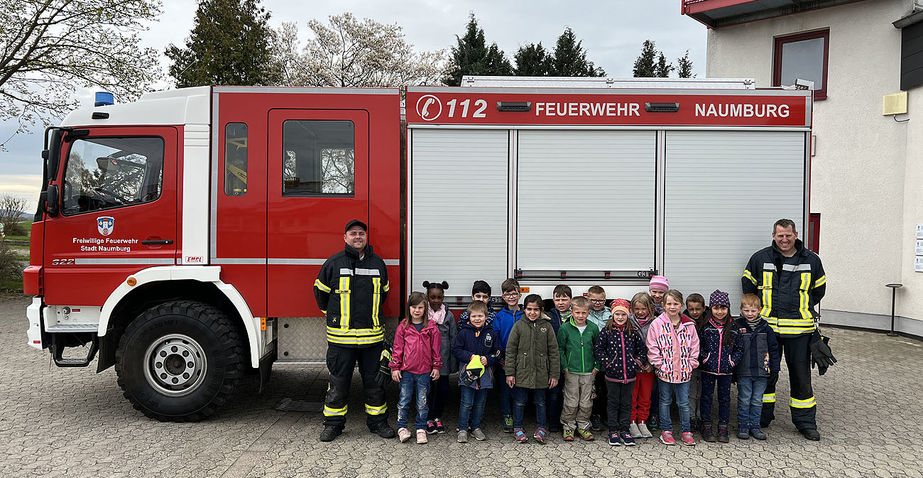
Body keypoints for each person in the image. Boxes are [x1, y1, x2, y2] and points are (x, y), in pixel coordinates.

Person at [742, 218, 827, 441]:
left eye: (788, 235)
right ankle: (762, 417)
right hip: (767, 330)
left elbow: (818, 291)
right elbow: (748, 286)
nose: (785, 239)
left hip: (799, 331)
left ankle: (805, 423)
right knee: (767, 375)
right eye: (780, 235)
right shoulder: (761, 258)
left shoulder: (811, 260)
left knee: (801, 378)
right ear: (774, 236)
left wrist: (800, 309)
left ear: (796, 234)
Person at [314, 219, 394, 442]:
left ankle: (378, 423)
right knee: (338, 385)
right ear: (345, 237)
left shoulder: (378, 264)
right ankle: (333, 425)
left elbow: (384, 294)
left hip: (372, 339)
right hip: (341, 339)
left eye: (361, 233)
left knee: (375, 384)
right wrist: (334, 316)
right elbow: (320, 292)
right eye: (353, 234)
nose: (358, 237)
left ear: (366, 237)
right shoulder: (333, 263)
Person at [647, 289, 699, 446]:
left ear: (681, 305)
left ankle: (686, 431)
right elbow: (652, 345)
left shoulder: (689, 325)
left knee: (683, 402)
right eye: (669, 303)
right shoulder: (657, 324)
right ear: (663, 305)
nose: (672, 307)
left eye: (676, 303)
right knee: (665, 401)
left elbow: (695, 346)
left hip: (684, 372)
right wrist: (659, 364)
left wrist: (691, 364)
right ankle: (666, 431)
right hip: (665, 372)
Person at [506, 294, 560, 444]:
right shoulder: (518, 326)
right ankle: (518, 428)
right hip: (521, 372)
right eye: (529, 309)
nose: (532, 312)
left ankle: (541, 428)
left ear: (541, 310)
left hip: (541, 373)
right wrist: (510, 373)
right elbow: (510, 351)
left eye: (536, 309)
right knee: (519, 401)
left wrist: (554, 374)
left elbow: (554, 352)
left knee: (541, 402)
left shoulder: (547, 327)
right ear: (524, 309)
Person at [595, 299, 648, 447]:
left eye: (623, 314)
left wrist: (636, 362)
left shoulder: (633, 332)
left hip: (630, 376)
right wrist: (608, 362)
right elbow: (599, 349)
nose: (620, 317)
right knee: (612, 403)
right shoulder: (607, 331)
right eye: (617, 314)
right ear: (612, 315)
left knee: (626, 403)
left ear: (628, 315)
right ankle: (613, 430)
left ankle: (625, 430)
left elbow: (641, 350)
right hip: (612, 376)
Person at [390, 292, 442, 444]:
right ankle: (402, 427)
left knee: (422, 402)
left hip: (424, 372)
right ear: (409, 308)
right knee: (404, 400)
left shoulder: (431, 328)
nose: (417, 310)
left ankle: (421, 428)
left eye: (420, 307)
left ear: (425, 309)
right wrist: (395, 367)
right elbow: (397, 348)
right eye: (414, 307)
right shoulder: (403, 327)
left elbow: (436, 349)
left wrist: (436, 367)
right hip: (406, 372)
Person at [453, 301, 502, 443]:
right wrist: (469, 356)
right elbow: (456, 350)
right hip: (467, 374)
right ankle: (463, 428)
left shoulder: (491, 333)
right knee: (466, 402)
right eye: (474, 316)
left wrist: (488, 359)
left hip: (485, 375)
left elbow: (498, 352)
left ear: (486, 316)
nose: (477, 319)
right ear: (469, 317)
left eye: (480, 316)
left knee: (480, 402)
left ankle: (475, 427)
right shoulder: (463, 333)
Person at [734, 293, 781, 440]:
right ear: (741, 309)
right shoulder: (737, 326)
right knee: (744, 399)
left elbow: (774, 349)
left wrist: (775, 368)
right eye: (746, 310)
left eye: (753, 311)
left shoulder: (766, 328)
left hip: (762, 371)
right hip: (744, 371)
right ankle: (743, 426)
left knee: (756, 400)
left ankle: (755, 426)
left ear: (759, 309)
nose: (750, 314)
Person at [697, 290, 742, 443]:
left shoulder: (734, 327)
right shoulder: (706, 326)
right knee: (706, 397)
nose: (720, 311)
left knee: (724, 399)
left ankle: (723, 426)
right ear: (711, 309)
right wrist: (705, 358)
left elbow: (739, 348)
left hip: (726, 371)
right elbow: (699, 346)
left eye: (723, 308)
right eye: (716, 308)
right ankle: (706, 425)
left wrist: (732, 361)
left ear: (728, 309)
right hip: (708, 369)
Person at [556, 296, 599, 442]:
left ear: (588, 313)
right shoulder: (565, 328)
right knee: (571, 401)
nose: (580, 316)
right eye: (577, 313)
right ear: (571, 312)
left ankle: (583, 426)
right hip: (571, 372)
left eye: (584, 313)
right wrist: (565, 367)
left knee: (586, 402)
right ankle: (568, 426)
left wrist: (597, 366)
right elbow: (560, 349)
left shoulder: (593, 328)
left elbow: (598, 349)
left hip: (588, 372)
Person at [423, 281, 455, 435]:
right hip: (426, 360)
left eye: (439, 297)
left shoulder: (448, 315)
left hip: (443, 359)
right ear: (427, 297)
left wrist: (453, 361)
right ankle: (427, 418)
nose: (436, 300)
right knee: (427, 389)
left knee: (442, 389)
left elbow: (453, 337)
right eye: (432, 297)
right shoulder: (422, 314)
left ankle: (437, 416)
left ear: (443, 297)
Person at [494, 278, 523, 433]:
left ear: (520, 294)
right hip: (504, 357)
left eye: (514, 293)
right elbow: (496, 338)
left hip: (521, 356)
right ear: (503, 297)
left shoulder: (525, 314)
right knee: (505, 389)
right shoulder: (499, 316)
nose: (511, 297)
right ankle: (507, 415)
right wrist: (500, 358)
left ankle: (518, 415)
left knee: (519, 389)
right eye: (507, 294)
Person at [628, 292, 657, 439]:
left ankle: (642, 421)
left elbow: (659, 345)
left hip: (648, 368)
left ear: (650, 308)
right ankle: (632, 422)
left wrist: (651, 364)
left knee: (645, 396)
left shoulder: (656, 322)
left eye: (643, 309)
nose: (640, 312)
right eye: (637, 309)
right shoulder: (627, 321)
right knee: (632, 397)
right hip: (632, 368)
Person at [545, 284, 573, 433]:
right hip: (554, 362)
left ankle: (568, 421)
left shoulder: (575, 316)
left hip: (571, 361)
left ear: (571, 300)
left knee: (570, 393)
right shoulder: (548, 317)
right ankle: (554, 421)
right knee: (554, 393)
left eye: (564, 299)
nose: (561, 302)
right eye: (557, 299)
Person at [585, 285, 609, 431]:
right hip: (590, 358)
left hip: (606, 359)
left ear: (605, 300)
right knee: (591, 390)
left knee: (605, 389)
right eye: (593, 300)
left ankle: (603, 414)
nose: (597, 303)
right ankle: (593, 416)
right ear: (588, 299)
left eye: (600, 300)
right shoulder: (585, 314)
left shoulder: (611, 314)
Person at [684, 293, 708, 433]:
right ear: (687, 308)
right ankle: (692, 417)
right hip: (690, 364)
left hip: (705, 363)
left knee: (703, 392)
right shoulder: (684, 321)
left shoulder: (708, 321)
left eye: (698, 309)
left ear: (704, 308)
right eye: (691, 309)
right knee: (691, 392)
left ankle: (702, 417)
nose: (695, 312)